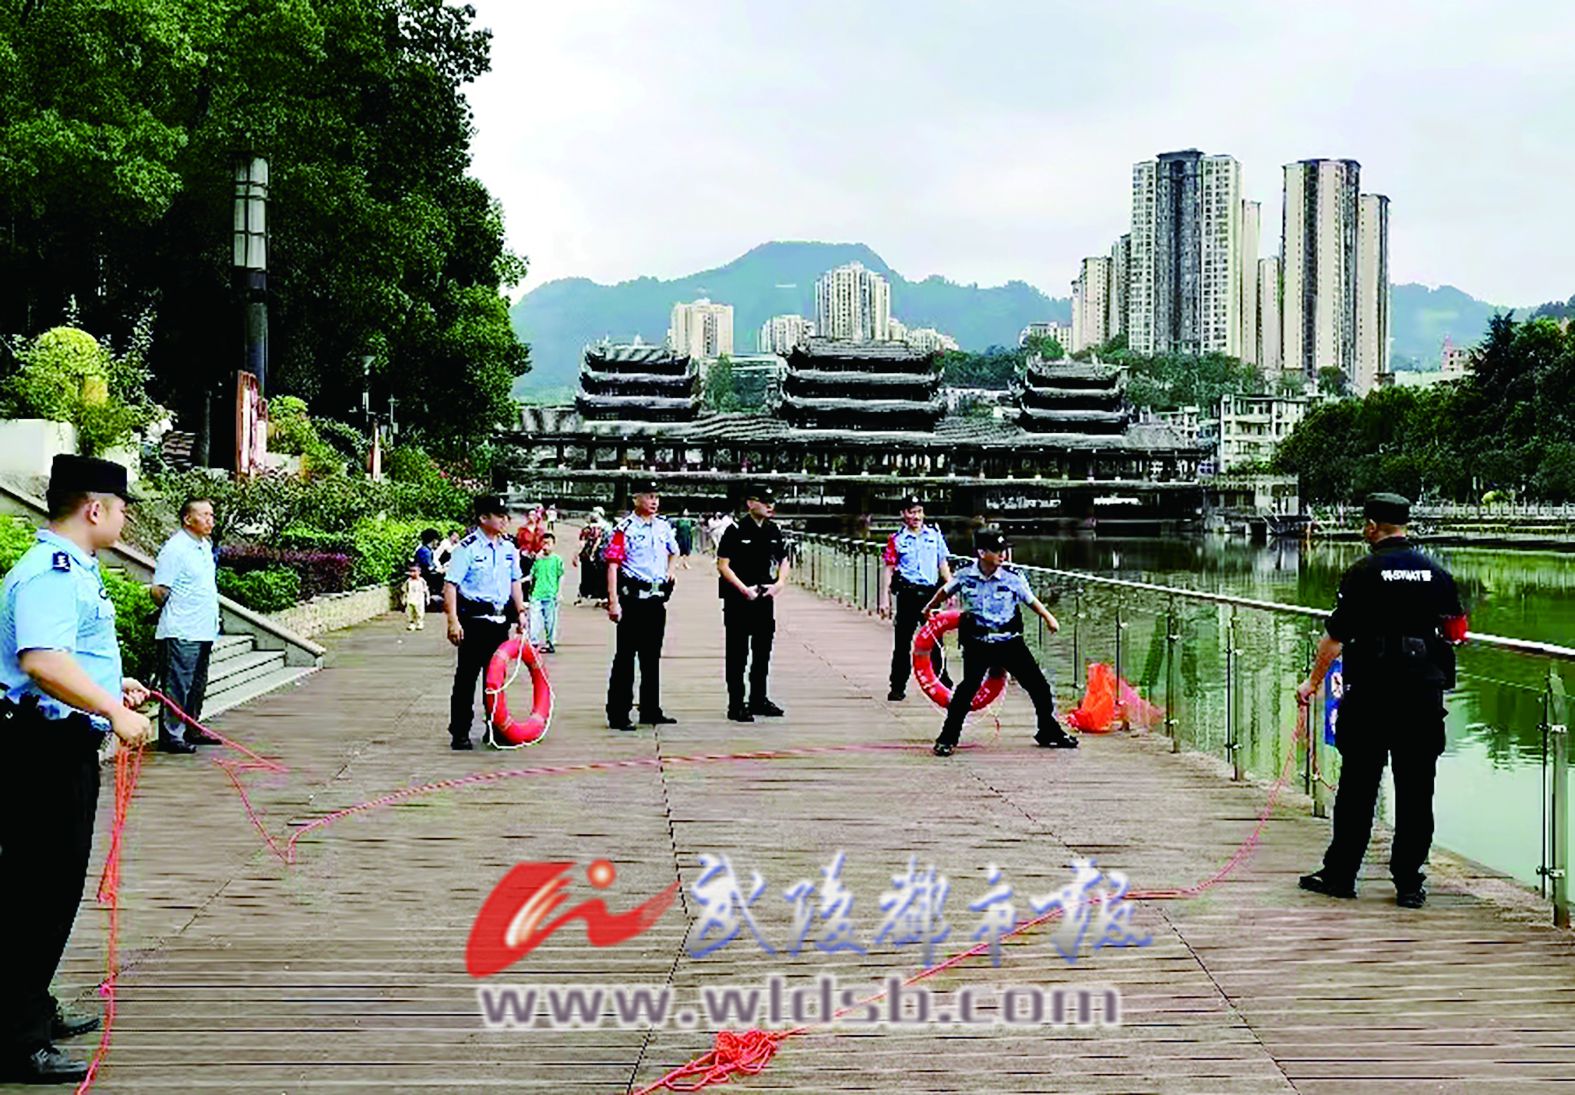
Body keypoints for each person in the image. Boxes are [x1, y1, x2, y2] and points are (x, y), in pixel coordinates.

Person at [0, 455, 156, 1084]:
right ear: (95, 509)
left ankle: (30, 1006)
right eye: (120, 510)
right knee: (36, 890)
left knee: (47, 886)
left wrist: (109, 688)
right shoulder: (52, 572)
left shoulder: (71, 569)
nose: (123, 521)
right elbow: (41, 661)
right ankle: (17, 1040)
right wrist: (113, 711)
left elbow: (68, 657)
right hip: (40, 747)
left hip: (56, 741)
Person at [1295, 493, 1468, 909]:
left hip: (1371, 696)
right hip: (1422, 698)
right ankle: (1409, 884)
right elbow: (1457, 632)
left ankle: (1341, 876)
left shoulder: (1363, 572)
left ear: (1372, 526)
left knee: (1358, 789)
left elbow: (1334, 638)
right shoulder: (1437, 572)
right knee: (1416, 792)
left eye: (1365, 524)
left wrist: (1312, 683)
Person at [922, 528, 1077, 756]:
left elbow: (1030, 600)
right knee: (967, 690)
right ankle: (947, 738)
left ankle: (1048, 730)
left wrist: (1048, 618)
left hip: (1009, 641)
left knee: (1039, 687)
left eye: (1004, 550)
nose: (1002, 555)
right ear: (981, 552)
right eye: (996, 551)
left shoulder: (1012, 576)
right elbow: (945, 591)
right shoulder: (965, 574)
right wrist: (929, 607)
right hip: (978, 642)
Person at [443, 495, 527, 751]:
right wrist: (453, 621)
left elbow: (515, 581)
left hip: (499, 621)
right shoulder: (467, 548)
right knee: (467, 678)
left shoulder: (508, 548)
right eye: (498, 516)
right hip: (474, 621)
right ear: (483, 518)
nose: (504, 520)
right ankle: (460, 730)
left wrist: (521, 612)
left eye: (505, 515)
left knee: (496, 680)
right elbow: (451, 585)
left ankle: (495, 727)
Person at [604, 478, 679, 732]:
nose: (654, 501)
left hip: (656, 599)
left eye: (656, 496)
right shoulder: (624, 529)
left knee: (651, 657)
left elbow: (674, 551)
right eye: (648, 496)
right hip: (633, 599)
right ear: (636, 498)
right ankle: (618, 713)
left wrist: (670, 571)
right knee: (626, 657)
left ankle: (650, 708)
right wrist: (613, 601)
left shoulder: (663, 526)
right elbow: (613, 566)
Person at [149, 496, 223, 754]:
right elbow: (159, 590)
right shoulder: (175, 549)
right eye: (204, 515)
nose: (210, 520)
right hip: (181, 629)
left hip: (204, 628)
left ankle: (192, 726)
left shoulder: (204, 546)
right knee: (178, 684)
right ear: (188, 519)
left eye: (212, 515)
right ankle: (172, 735)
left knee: (197, 684)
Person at [716, 486, 790, 722]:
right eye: (764, 501)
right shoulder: (735, 530)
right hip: (739, 598)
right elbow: (723, 565)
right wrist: (743, 589)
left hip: (764, 597)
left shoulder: (773, 530)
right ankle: (736, 703)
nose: (770, 506)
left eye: (772, 501)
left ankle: (759, 698)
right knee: (738, 651)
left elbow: (784, 559)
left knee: (762, 650)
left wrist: (779, 583)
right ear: (750, 503)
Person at [879, 495, 953, 702]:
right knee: (902, 643)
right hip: (908, 594)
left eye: (919, 512)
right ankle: (897, 686)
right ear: (903, 514)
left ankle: (942, 683)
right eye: (911, 512)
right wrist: (884, 598)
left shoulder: (935, 536)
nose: (916, 516)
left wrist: (951, 589)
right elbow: (889, 569)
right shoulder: (896, 540)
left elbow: (943, 565)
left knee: (936, 641)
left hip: (931, 595)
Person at [529, 533, 564, 653]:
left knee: (550, 621)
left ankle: (550, 642)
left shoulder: (557, 560)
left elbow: (560, 576)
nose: (545, 546)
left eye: (548, 543)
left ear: (553, 545)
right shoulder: (537, 560)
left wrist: (559, 592)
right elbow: (532, 575)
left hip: (551, 594)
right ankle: (533, 642)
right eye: (543, 543)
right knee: (534, 619)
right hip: (537, 594)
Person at [574, 507, 609, 605]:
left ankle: (588, 596)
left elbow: (583, 542)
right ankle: (600, 597)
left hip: (593, 555)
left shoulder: (594, 527)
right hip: (596, 555)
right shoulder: (601, 527)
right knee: (597, 576)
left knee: (589, 575)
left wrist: (577, 554)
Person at [415, 528, 442, 602]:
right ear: (433, 540)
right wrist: (441, 570)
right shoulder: (425, 551)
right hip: (426, 577)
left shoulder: (427, 550)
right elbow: (430, 568)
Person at [401, 563, 427, 631]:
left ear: (419, 572)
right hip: (410, 599)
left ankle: (419, 623)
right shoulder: (408, 581)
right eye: (411, 571)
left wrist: (427, 598)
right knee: (410, 612)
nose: (413, 573)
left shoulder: (422, 581)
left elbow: (426, 590)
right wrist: (404, 599)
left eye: (415, 571)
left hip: (419, 599)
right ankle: (411, 623)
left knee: (420, 612)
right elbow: (405, 591)